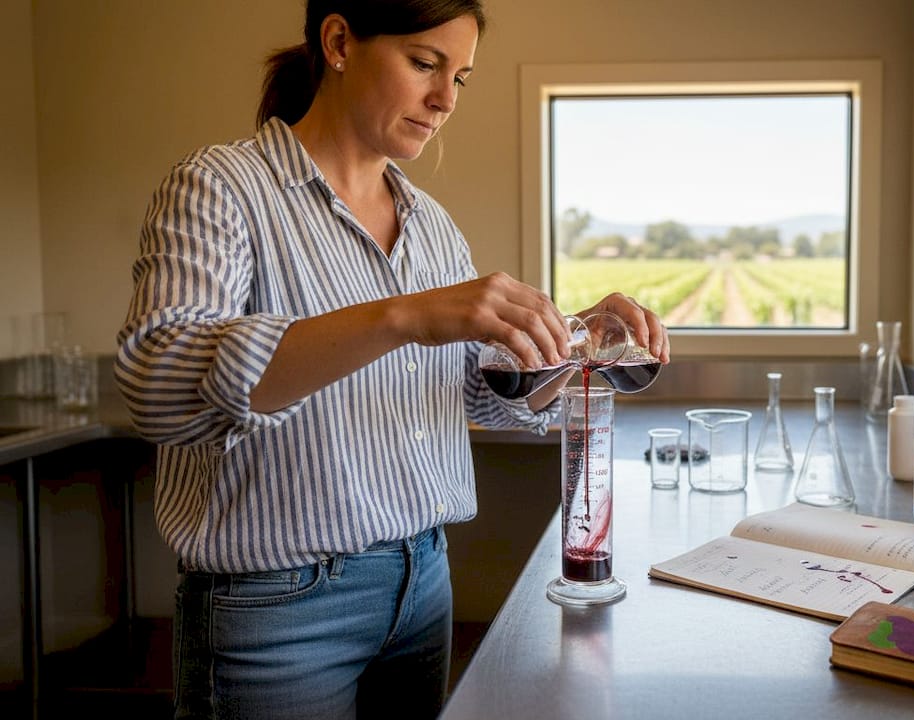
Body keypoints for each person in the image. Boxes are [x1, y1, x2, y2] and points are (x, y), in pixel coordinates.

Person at [113, 1, 669, 718]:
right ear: (340, 41)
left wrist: (576, 340)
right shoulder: (221, 188)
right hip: (276, 612)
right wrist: (402, 317)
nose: (445, 100)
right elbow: (159, 384)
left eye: (459, 78)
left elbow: (482, 395)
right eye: (424, 63)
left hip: (424, 585)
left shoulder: (430, 226)